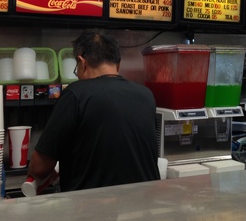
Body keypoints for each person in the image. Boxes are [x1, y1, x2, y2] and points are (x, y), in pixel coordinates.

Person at [28, 29, 160, 192]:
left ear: (82, 62)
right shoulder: (146, 95)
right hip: (145, 202)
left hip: (92, 205)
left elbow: (39, 167)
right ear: (118, 65)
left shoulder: (76, 94)